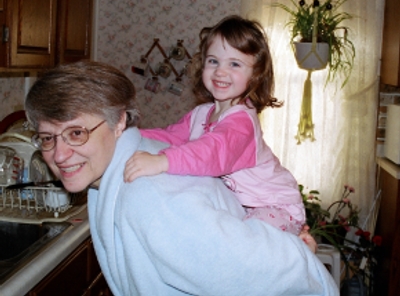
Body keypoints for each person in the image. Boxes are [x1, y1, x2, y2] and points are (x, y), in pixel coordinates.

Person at [25, 61, 338, 296]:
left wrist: (297, 255)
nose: (60, 154)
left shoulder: (150, 198)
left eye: (76, 133)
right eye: (48, 138)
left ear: (119, 121)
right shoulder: (126, 167)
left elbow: (251, 272)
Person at [124, 15, 314, 248]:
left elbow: (211, 152)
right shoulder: (201, 114)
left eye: (234, 64)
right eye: (213, 61)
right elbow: (170, 136)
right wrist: (129, 135)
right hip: (242, 204)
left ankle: (299, 253)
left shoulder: (242, 121)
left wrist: (162, 162)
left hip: (275, 206)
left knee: (242, 246)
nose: (220, 72)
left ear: (255, 74)